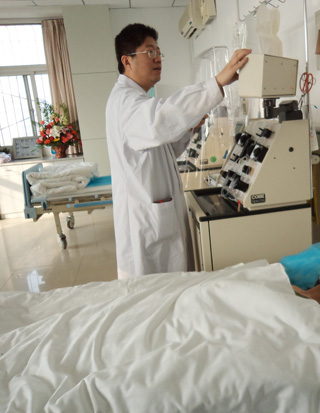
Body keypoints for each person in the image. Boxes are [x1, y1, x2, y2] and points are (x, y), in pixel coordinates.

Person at [106, 23, 251, 279]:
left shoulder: (137, 100)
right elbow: (160, 119)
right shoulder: (125, 102)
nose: (158, 58)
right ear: (127, 61)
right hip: (146, 224)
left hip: (155, 216)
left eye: (159, 52)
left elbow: (162, 151)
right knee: (154, 290)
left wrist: (188, 129)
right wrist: (216, 83)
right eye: (150, 52)